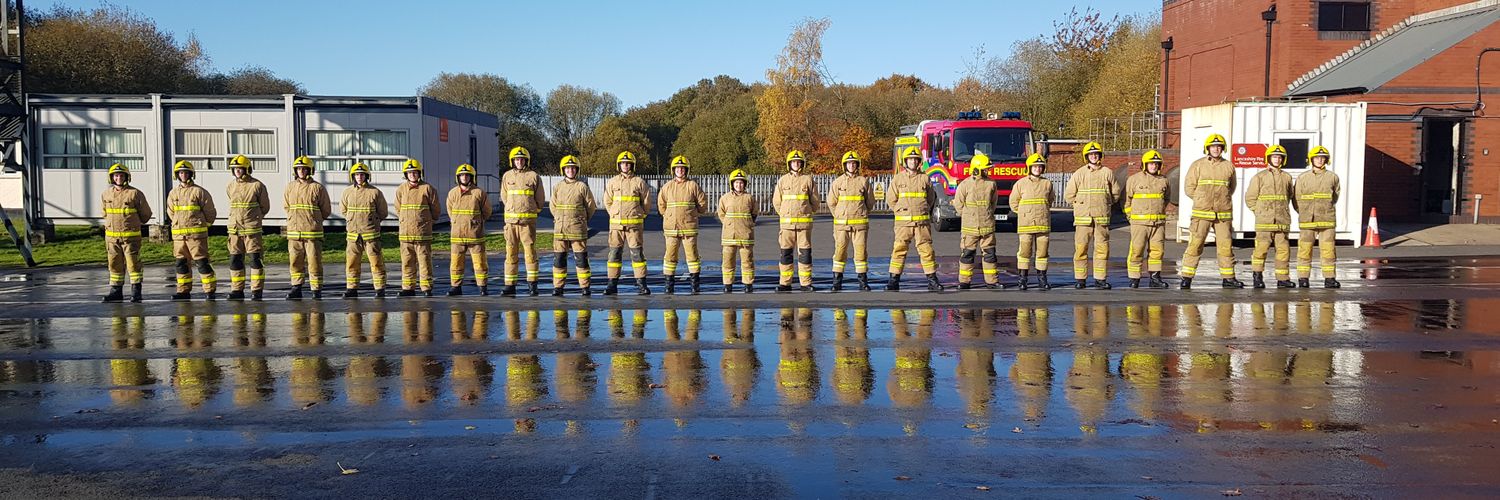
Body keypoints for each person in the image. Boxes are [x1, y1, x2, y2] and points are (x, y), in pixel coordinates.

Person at [1180, 133, 1245, 289]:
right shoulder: (1198, 165)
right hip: (1202, 213)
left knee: (1225, 246)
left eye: (1219, 146)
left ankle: (1228, 278)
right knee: (1195, 245)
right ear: (1207, 148)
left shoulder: (1229, 166)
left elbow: (1231, 188)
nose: (1216, 149)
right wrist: (1201, 199)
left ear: (1223, 148)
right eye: (1213, 146)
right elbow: (1189, 188)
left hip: (1223, 214)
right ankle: (1186, 278)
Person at [886, 146, 943, 291]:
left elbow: (930, 199)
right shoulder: (898, 179)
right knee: (899, 249)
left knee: (926, 250)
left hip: (921, 223)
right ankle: (893, 280)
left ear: (919, 162)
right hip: (903, 224)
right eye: (910, 159)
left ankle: (932, 280)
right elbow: (891, 200)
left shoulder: (925, 178)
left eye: (915, 159)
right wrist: (900, 212)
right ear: (906, 162)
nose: (912, 162)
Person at [1064, 141, 1121, 289]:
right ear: (1086, 156)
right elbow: (1069, 195)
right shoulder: (1079, 173)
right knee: (1081, 249)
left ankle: (1100, 279)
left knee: (1102, 249)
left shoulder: (1107, 172)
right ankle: (1080, 279)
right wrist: (1080, 205)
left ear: (1100, 156)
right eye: (1091, 154)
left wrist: (1106, 204)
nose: (1094, 156)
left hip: (1101, 218)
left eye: (1096, 154)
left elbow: (1116, 193)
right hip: (1083, 220)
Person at [166, 159, 217, 301]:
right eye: (180, 173)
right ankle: (183, 291)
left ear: (191, 174)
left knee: (202, 262)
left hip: (196, 236)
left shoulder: (199, 192)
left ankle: (209, 290)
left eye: (186, 173)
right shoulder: (173, 193)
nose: (183, 175)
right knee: (181, 264)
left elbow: (210, 213)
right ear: (177, 175)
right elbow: (171, 213)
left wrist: (201, 226)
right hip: (179, 237)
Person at [1245, 145, 1296, 289]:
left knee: (1283, 251)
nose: (1277, 159)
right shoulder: (1259, 177)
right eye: (1274, 156)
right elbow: (1250, 198)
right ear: (1268, 158)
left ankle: (1283, 279)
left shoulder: (1287, 177)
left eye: (1279, 157)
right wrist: (1259, 212)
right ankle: (1257, 277)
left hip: (1282, 221)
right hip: (1265, 222)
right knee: (1261, 250)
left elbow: (1289, 196)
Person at [101, 163, 152, 303]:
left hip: (130, 237)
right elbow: (104, 213)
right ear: (111, 178)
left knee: (133, 265)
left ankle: (136, 292)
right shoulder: (106, 194)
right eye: (116, 176)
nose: (119, 178)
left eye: (121, 175)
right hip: (112, 238)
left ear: (126, 177)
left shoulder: (135, 194)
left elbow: (146, 214)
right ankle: (115, 292)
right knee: (114, 264)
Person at [603, 151, 652, 295]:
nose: (625, 166)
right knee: (614, 255)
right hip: (616, 227)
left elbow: (647, 203)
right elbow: (607, 201)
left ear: (632, 165)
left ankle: (641, 284)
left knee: (637, 255)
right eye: (623, 163)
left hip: (634, 227)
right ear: (619, 165)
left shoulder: (639, 182)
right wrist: (613, 213)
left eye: (628, 163)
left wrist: (640, 215)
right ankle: (612, 284)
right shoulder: (612, 182)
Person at [657, 155, 708, 295]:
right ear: (674, 170)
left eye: (682, 168)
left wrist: (692, 215)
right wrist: (668, 216)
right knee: (670, 257)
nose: (680, 170)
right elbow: (661, 205)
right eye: (678, 168)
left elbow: (702, 204)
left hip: (689, 228)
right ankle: (669, 285)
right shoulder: (667, 187)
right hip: (671, 229)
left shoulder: (693, 186)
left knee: (692, 257)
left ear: (686, 170)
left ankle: (694, 284)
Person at [773, 150, 822, 292]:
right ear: (789, 164)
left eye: (799, 162)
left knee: (805, 254)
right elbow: (777, 202)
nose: (796, 164)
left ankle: (806, 283)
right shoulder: (783, 180)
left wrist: (806, 212)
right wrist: (784, 214)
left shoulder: (808, 180)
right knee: (786, 254)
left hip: (804, 225)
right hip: (787, 226)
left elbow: (815, 201)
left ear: (802, 164)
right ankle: (785, 283)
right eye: (794, 162)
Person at [1294, 145, 1342, 289]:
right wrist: (1303, 212)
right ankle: (1303, 278)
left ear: (1326, 160)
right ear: (1311, 159)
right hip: (1307, 220)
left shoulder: (1332, 177)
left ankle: (1329, 278)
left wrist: (1325, 209)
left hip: (1327, 220)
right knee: (1304, 250)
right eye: (1317, 158)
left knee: (1328, 251)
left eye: (1322, 158)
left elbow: (1335, 196)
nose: (1320, 160)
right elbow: (1296, 199)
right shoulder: (1303, 178)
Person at [284, 155, 332, 300]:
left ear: (309, 170)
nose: (301, 171)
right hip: (294, 233)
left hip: (312, 233)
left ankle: (316, 290)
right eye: (299, 169)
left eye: (304, 169)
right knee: (295, 261)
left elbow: (326, 210)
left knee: (314, 261)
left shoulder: (317, 188)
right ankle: (296, 287)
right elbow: (287, 206)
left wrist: (313, 220)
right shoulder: (290, 187)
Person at [951, 152, 1000, 289]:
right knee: (967, 255)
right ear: (977, 168)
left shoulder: (991, 184)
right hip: (969, 228)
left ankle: (992, 281)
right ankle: (964, 282)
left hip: (987, 227)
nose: (987, 171)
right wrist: (968, 216)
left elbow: (993, 203)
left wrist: (987, 214)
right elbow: (959, 205)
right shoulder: (965, 185)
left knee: (990, 255)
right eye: (985, 168)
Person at [549, 155, 597, 296]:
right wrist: (559, 219)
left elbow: (591, 206)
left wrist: (581, 219)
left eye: (573, 168)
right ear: (563, 170)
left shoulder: (582, 187)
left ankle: (585, 287)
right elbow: (553, 206)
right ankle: (558, 288)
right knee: (559, 259)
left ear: (577, 170)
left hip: (577, 230)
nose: (570, 170)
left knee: (581, 259)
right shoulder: (557, 187)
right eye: (568, 168)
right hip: (560, 230)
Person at [340, 162, 388, 299]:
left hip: (371, 235)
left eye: (362, 174)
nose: (359, 177)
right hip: (353, 236)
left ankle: (379, 289)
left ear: (367, 176)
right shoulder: (347, 192)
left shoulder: (375, 192)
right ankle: (352, 289)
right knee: (351, 264)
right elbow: (344, 210)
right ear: (353, 176)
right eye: (356, 175)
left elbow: (383, 212)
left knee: (376, 263)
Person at [501, 146, 545, 296]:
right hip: (511, 223)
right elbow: (504, 197)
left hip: (527, 223)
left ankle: (532, 285)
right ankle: (510, 285)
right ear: (512, 161)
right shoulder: (507, 176)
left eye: (522, 159)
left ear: (526, 160)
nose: (519, 162)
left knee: (530, 254)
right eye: (516, 159)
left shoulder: (533, 176)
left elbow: (540, 199)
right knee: (510, 254)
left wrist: (532, 212)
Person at [827, 150, 874, 291]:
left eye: (854, 163)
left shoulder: (863, 182)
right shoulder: (838, 182)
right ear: (844, 165)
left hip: (860, 225)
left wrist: (862, 213)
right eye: (849, 163)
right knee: (840, 252)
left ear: (857, 165)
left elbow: (870, 202)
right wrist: (839, 215)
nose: (851, 166)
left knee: (860, 252)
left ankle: (862, 282)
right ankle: (837, 282)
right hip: (842, 226)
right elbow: (831, 202)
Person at [1123, 150, 1170, 289]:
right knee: (1137, 250)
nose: (1153, 166)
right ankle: (1134, 278)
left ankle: (1155, 277)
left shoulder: (1164, 180)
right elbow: (1127, 202)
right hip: (1139, 224)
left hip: (1158, 223)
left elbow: (1165, 199)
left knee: (1157, 251)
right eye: (1150, 163)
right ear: (1145, 165)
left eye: (1156, 164)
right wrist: (1131, 217)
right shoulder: (1134, 180)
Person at [225, 154, 270, 301]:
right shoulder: (231, 186)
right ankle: (237, 290)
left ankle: (256, 291)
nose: (237, 171)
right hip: (235, 231)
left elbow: (265, 207)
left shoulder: (257, 186)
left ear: (247, 169)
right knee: (235, 260)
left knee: (255, 261)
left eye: (240, 168)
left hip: (252, 231)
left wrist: (253, 219)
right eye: (235, 169)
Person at [396, 158, 441, 297]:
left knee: (424, 261)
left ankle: (426, 288)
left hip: (422, 233)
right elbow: (398, 209)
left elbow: (436, 210)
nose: (412, 175)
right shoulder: (401, 189)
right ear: (406, 174)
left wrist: (427, 222)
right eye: (409, 173)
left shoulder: (427, 189)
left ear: (419, 173)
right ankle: (408, 288)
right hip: (405, 234)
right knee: (407, 262)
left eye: (414, 172)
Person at [447, 163, 493, 296]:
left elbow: (487, 211)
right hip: (457, 236)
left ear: (472, 177)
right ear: (458, 177)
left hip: (475, 235)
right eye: (462, 175)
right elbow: (450, 211)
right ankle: (455, 287)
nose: (464, 177)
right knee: (456, 263)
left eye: (467, 175)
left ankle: (482, 287)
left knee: (480, 263)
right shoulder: (453, 193)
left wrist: (476, 223)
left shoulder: (478, 193)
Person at [1010, 153, 1054, 290]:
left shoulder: (1047, 183)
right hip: (1026, 225)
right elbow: (1013, 202)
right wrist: (1024, 213)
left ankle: (1042, 279)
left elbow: (1050, 200)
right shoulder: (1021, 184)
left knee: (1042, 253)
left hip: (1043, 224)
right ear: (1029, 167)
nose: (1037, 169)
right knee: (1024, 252)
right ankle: (1023, 279)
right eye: (1035, 166)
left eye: (1040, 166)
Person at [717, 168, 759, 293]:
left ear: (745, 184)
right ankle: (728, 284)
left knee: (747, 261)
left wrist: (748, 224)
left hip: (746, 235)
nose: (738, 185)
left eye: (741, 182)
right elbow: (721, 213)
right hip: (729, 236)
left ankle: (748, 284)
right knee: (728, 261)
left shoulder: (749, 198)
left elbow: (754, 212)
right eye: (736, 182)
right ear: (732, 184)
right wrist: (728, 224)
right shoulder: (725, 198)